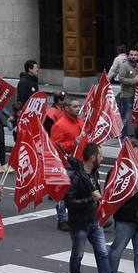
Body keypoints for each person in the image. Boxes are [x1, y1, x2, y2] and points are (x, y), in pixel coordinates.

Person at [64, 143, 128, 273]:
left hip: (94, 221)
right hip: (79, 223)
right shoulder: (75, 176)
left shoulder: (94, 172)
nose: (102, 157)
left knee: (102, 253)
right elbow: (69, 203)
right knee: (77, 255)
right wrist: (90, 200)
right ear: (93, 157)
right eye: (100, 155)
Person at [50, 98, 84, 230]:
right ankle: (62, 219)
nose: (78, 108)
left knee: (83, 191)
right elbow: (55, 146)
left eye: (78, 106)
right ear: (66, 108)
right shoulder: (59, 125)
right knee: (64, 193)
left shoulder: (81, 121)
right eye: (75, 106)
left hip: (80, 163)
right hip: (66, 164)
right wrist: (72, 143)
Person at [113, 46, 138, 136]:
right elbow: (121, 79)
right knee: (126, 116)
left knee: (136, 115)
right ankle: (123, 135)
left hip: (137, 95)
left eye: (135, 55)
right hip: (127, 95)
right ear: (128, 55)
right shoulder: (124, 65)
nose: (133, 56)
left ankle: (134, 133)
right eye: (131, 55)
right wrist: (134, 81)